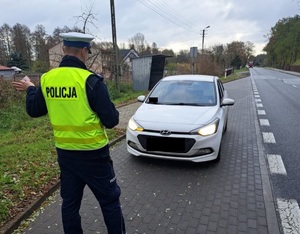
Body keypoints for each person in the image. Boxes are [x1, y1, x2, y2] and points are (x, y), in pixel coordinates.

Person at [12, 32, 126, 234]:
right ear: (84, 51)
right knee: (109, 202)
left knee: (70, 205)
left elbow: (34, 110)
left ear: (64, 50)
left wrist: (31, 88)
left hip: (66, 156)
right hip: (95, 156)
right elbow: (111, 121)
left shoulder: (47, 79)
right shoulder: (91, 81)